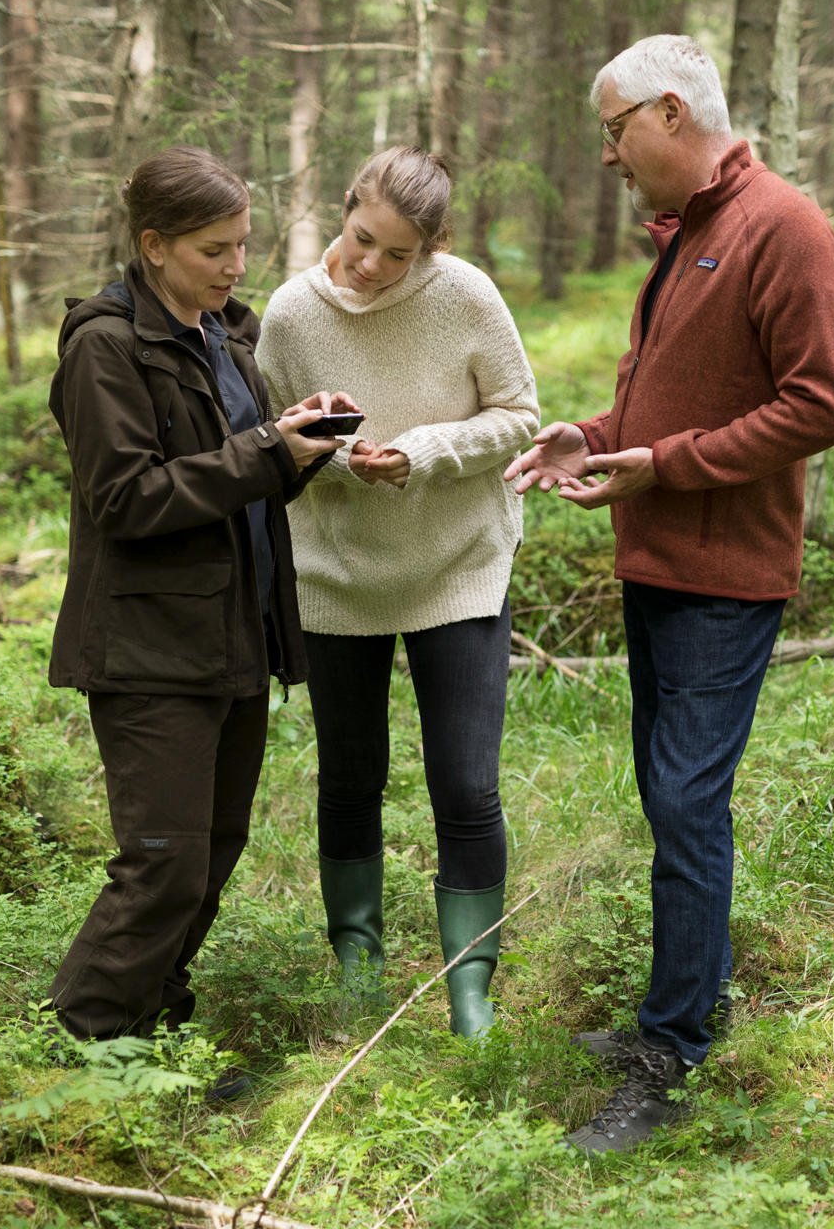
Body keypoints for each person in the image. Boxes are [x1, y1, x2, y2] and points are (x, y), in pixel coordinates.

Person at [504, 34, 834, 1152]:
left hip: (723, 576)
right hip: (655, 563)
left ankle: (672, 1052)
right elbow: (671, 402)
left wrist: (666, 465)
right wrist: (596, 437)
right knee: (669, 801)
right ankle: (676, 1008)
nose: (606, 155)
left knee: (688, 805)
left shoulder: (782, 228)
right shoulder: (688, 237)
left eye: (612, 131)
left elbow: (822, 403)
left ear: (665, 114)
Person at [45, 146, 355, 1057]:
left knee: (212, 852)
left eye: (242, 245)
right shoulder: (105, 346)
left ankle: (148, 1037)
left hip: (233, 640)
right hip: (149, 648)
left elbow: (240, 488)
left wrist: (301, 447)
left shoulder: (226, 337)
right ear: (154, 245)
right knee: (162, 864)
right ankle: (79, 1049)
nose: (236, 266)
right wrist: (267, 451)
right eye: (215, 249)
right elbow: (128, 500)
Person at [256, 145, 539, 1035]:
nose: (371, 266)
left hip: (458, 565)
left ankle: (469, 989)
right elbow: (270, 442)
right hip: (337, 574)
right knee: (349, 778)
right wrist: (339, 456)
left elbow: (520, 416)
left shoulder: (466, 296)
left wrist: (419, 452)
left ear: (433, 248)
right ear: (344, 211)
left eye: (397, 254)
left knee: (466, 786)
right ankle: (359, 969)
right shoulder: (292, 315)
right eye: (361, 238)